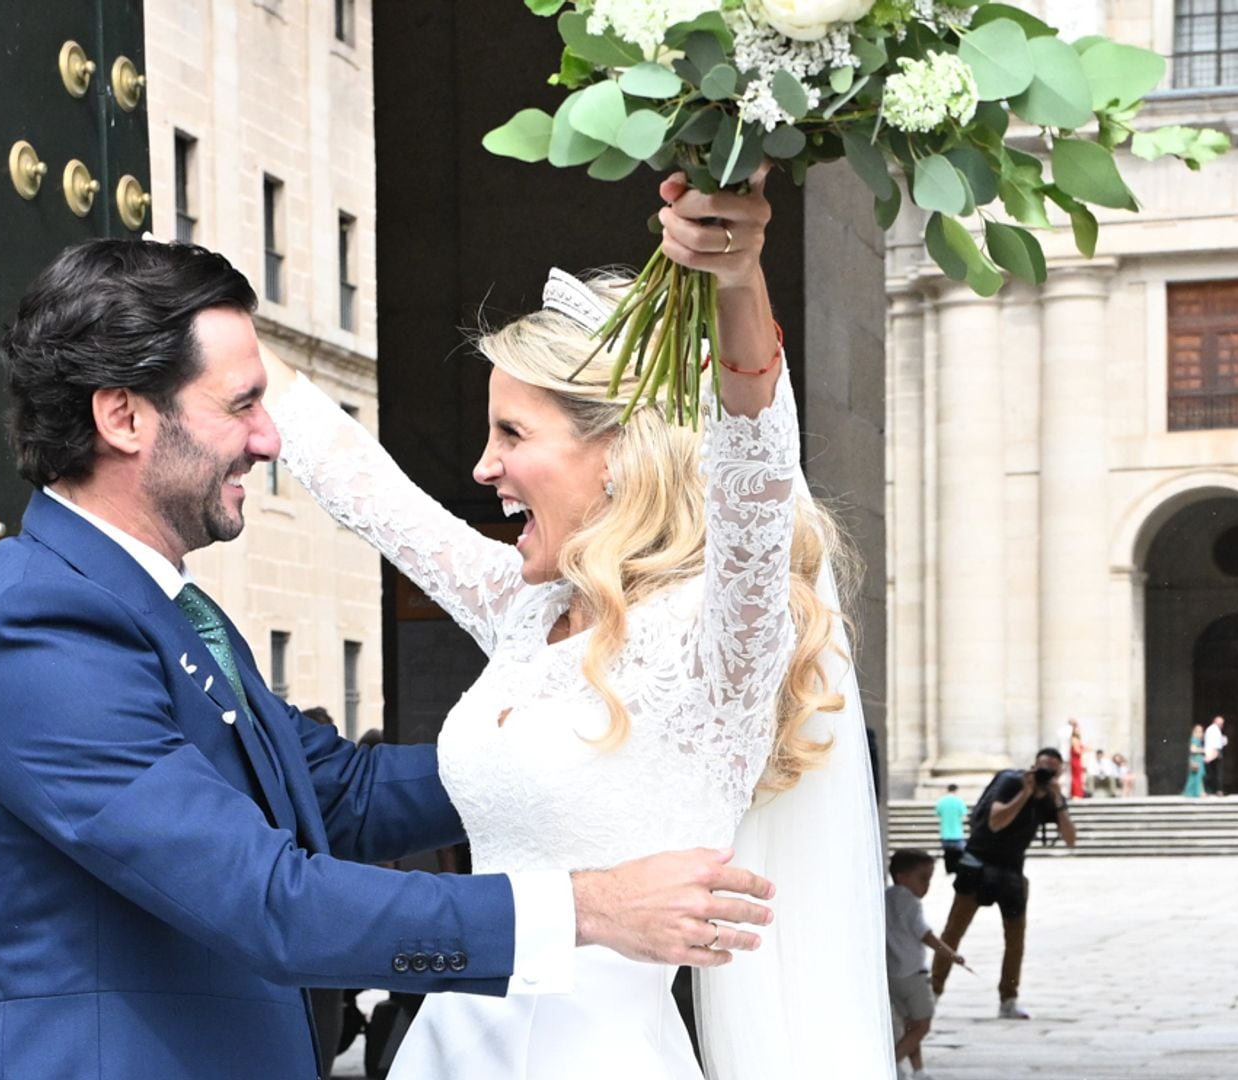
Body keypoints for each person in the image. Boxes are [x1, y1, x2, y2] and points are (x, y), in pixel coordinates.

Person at [0, 238, 780, 1080]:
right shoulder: (44, 630)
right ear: (123, 417)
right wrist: (588, 907)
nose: (266, 441)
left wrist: (574, 764)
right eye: (240, 406)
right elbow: (269, 905)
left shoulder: (156, 605)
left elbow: (338, 791)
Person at [260, 170, 892, 1079]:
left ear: (619, 451)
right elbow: (376, 496)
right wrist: (233, 336)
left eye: (511, 435)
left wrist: (738, 278)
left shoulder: (722, 643)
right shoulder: (527, 610)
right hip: (445, 1047)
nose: (482, 467)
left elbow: (754, 467)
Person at [930, 749, 1077, 1019]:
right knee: (953, 932)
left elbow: (1070, 838)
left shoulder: (1051, 797)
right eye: (1043, 767)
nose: (1046, 774)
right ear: (1033, 765)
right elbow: (996, 822)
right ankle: (933, 993)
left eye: (1053, 770)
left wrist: (1057, 800)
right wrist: (1025, 794)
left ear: (1060, 772)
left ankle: (1008, 999)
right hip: (978, 866)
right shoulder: (1011, 782)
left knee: (1015, 940)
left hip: (1011, 872)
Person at [885, 850, 963, 1080]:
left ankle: (918, 1071)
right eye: (923, 878)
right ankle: (891, 1062)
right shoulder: (910, 902)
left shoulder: (887, 896)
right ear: (902, 877)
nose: (926, 886)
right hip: (912, 973)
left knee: (910, 1025)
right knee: (922, 1024)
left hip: (893, 972)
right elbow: (925, 934)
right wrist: (950, 954)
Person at [933, 784, 968, 875]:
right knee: (959, 853)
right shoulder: (959, 801)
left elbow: (937, 813)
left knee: (947, 853)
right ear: (956, 790)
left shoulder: (941, 801)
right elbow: (963, 813)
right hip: (957, 832)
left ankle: (948, 869)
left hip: (945, 832)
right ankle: (957, 869)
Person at [1204, 714, 1229, 796]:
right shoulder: (1214, 730)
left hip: (1211, 753)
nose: (1222, 725)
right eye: (1221, 723)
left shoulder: (1211, 729)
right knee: (1217, 773)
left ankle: (1213, 789)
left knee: (1212, 773)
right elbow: (1215, 744)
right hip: (1214, 753)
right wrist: (1212, 756)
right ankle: (1218, 790)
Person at [1184, 724, 1207, 799]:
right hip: (1196, 760)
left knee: (1197, 777)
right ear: (1195, 732)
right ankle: (1199, 792)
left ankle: (1200, 792)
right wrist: (1202, 750)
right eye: (1199, 731)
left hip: (1198, 760)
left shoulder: (1198, 740)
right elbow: (1192, 749)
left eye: (1201, 731)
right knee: (1197, 777)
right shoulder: (1194, 739)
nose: (1201, 733)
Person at [1066, 720, 1087, 799]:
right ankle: (1076, 794)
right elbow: (1077, 751)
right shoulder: (1074, 739)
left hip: (1077, 760)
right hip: (1075, 760)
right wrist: (1084, 750)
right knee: (1076, 777)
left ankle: (1077, 794)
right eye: (1078, 730)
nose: (1079, 731)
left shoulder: (1076, 739)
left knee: (1078, 777)